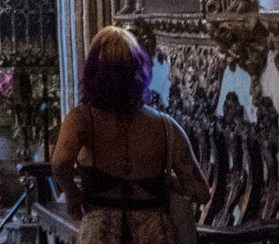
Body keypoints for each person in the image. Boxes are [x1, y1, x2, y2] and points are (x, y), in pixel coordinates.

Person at [50, 27, 211, 244]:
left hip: (101, 233)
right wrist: (166, 182)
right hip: (154, 234)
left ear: (92, 72)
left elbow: (60, 163)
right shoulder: (165, 126)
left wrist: (72, 193)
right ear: (140, 72)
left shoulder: (82, 120)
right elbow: (200, 192)